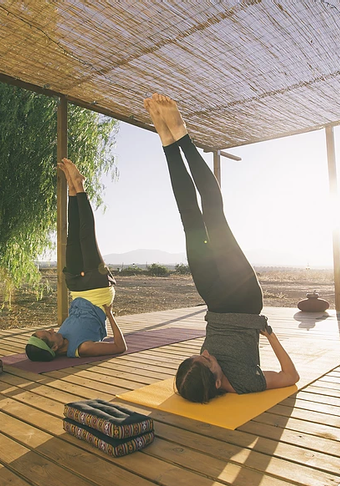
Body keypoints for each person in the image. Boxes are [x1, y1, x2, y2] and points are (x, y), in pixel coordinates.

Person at [144, 93, 299, 403]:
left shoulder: (195, 377)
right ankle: (182, 134)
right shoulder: (245, 383)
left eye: (198, 355)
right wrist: (267, 333)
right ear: (216, 382)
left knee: (190, 219)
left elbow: (201, 360)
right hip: (244, 296)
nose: (204, 352)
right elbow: (290, 376)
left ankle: (167, 141)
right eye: (207, 360)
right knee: (214, 213)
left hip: (213, 298)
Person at [25, 158, 126, 361]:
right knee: (86, 236)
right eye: (50, 334)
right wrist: (110, 314)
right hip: (98, 292)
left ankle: (72, 189)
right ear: (54, 346)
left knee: (72, 238)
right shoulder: (83, 348)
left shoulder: (59, 338)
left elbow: (67, 324)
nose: (53, 329)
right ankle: (80, 185)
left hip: (77, 289)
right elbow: (119, 347)